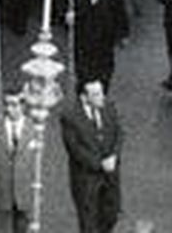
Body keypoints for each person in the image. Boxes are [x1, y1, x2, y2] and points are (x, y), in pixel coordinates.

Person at [60, 79, 122, 233]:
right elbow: (75, 149)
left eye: (101, 92)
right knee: (89, 223)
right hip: (86, 179)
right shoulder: (70, 117)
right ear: (84, 97)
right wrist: (99, 164)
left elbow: (119, 134)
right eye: (96, 94)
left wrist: (114, 155)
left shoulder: (109, 107)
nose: (101, 97)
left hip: (110, 175)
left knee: (111, 215)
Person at [0, 91, 34, 233]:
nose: (9, 109)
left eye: (14, 105)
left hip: (24, 194)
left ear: (23, 106)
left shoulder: (35, 130)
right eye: (6, 104)